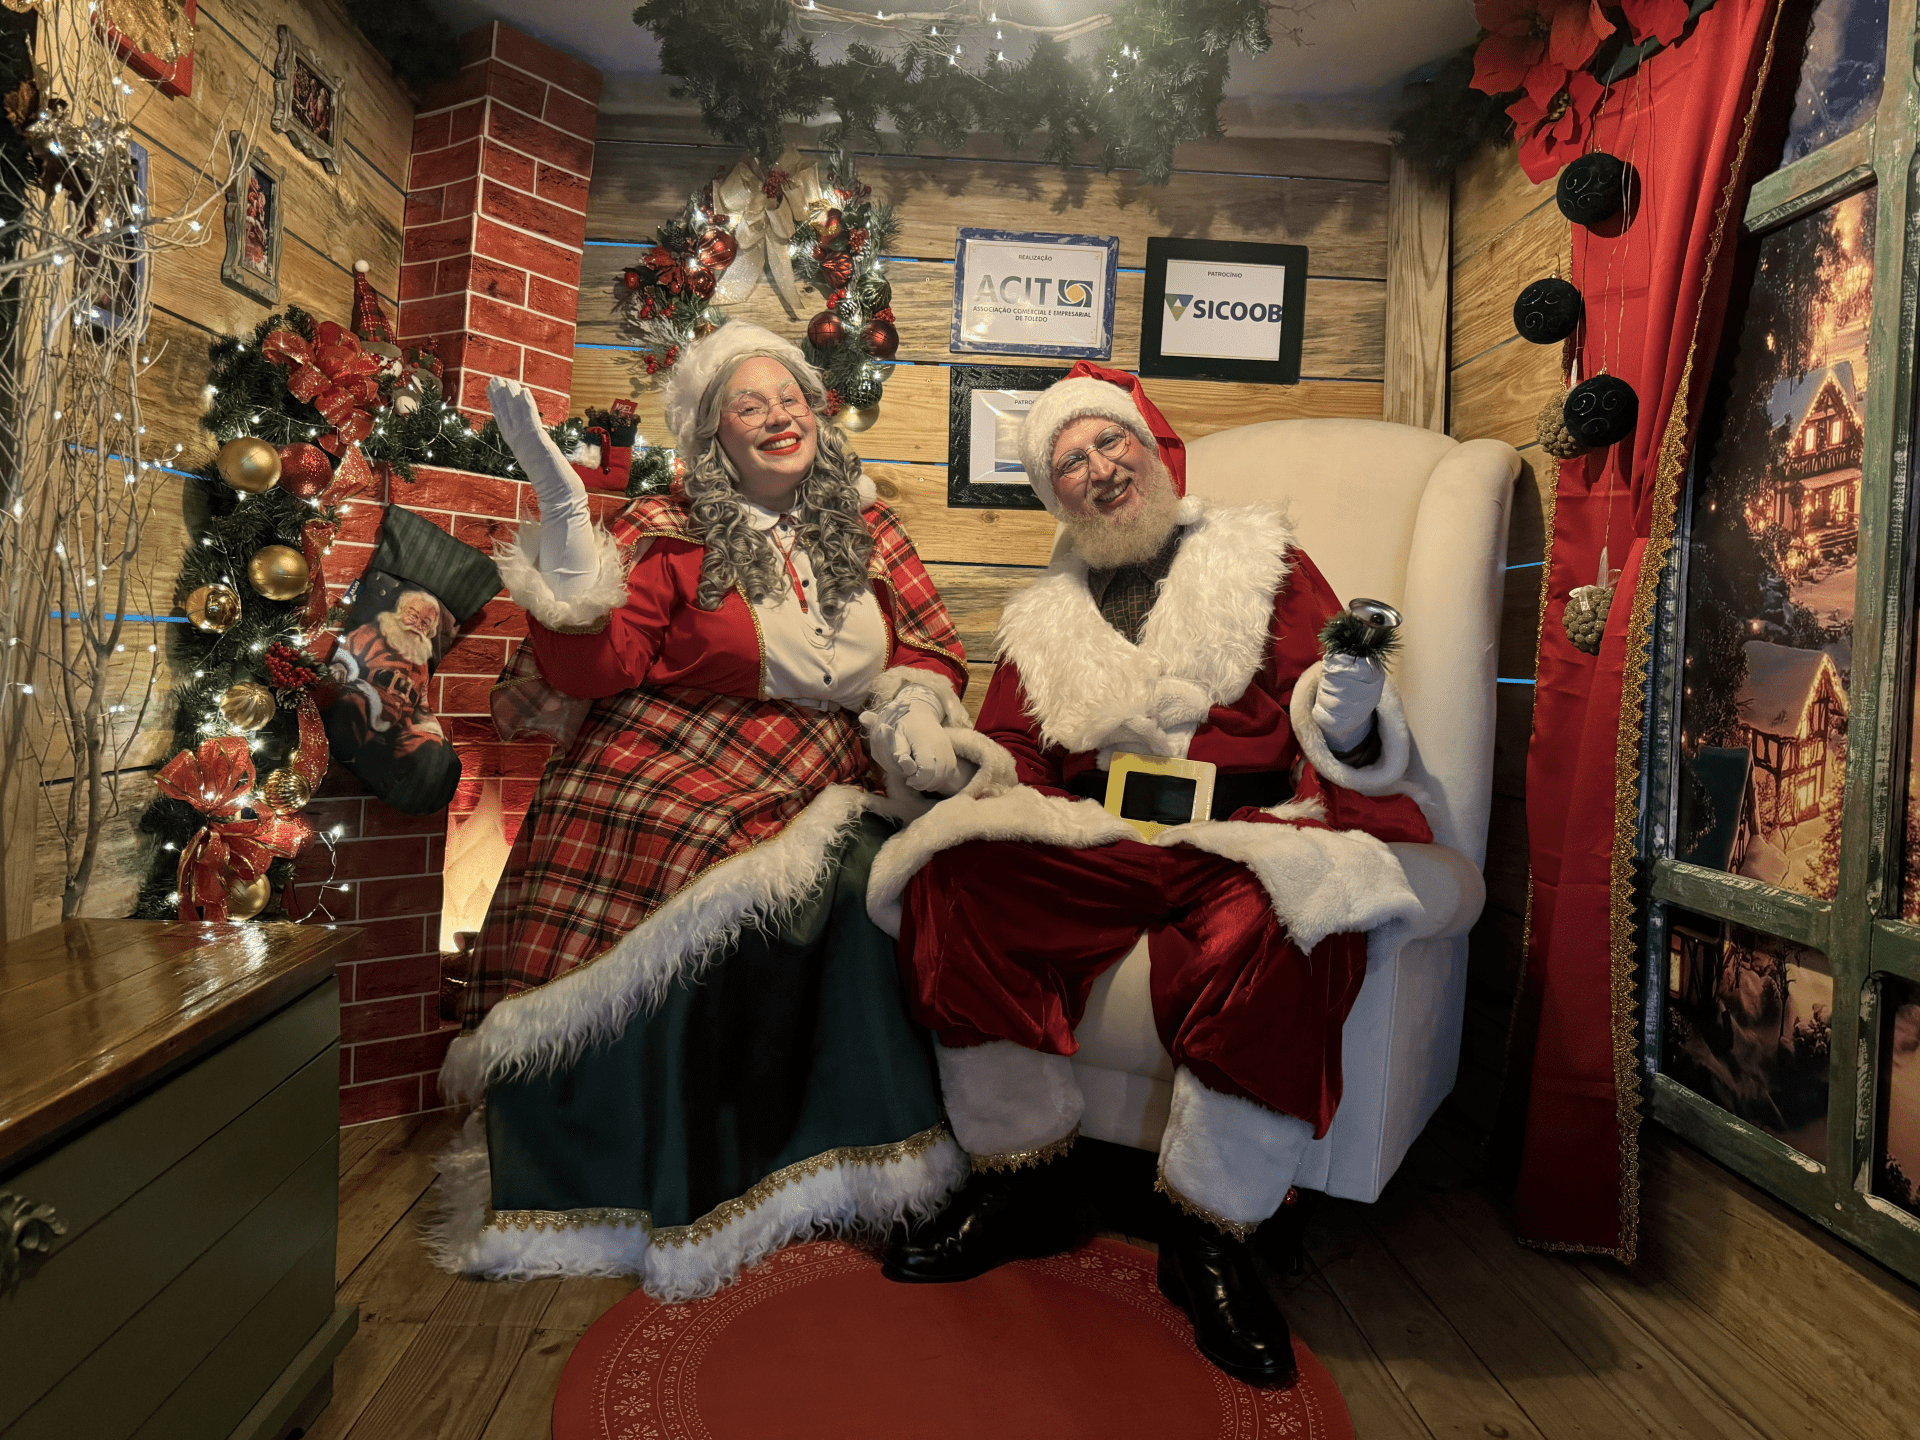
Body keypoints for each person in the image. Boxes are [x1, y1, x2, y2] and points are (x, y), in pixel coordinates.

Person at [864, 363, 1437, 1387]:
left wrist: (1345, 710)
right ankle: (1026, 1184)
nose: (1097, 469)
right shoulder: (1041, 616)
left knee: (1291, 919)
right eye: (1070, 462)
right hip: (1099, 833)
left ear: (1152, 446)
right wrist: (950, 762)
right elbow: (1014, 752)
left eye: (1109, 444)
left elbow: (1327, 691)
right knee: (958, 883)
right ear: (1056, 496)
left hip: (1242, 825)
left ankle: (1211, 1234)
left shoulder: (1263, 558)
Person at [428, 323, 988, 1300]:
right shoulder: (672, 525)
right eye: (750, 405)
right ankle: (687, 1169)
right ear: (713, 435)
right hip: (673, 749)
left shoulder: (868, 526)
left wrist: (912, 698)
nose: (779, 417)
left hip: (832, 757)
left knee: (866, 882)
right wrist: (567, 534)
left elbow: (933, 644)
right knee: (716, 885)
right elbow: (597, 667)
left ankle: (861, 1166)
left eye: (791, 399)